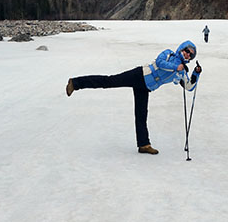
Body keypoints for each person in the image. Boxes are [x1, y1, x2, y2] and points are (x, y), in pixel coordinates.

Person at [66, 41, 202, 154]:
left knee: (141, 114)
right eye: (187, 50)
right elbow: (160, 63)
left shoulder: (182, 71)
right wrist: (175, 67)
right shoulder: (169, 54)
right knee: (109, 81)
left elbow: (189, 87)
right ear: (182, 48)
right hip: (139, 75)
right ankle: (76, 83)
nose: (187, 54)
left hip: (145, 87)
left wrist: (196, 74)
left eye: (191, 55)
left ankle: (144, 145)